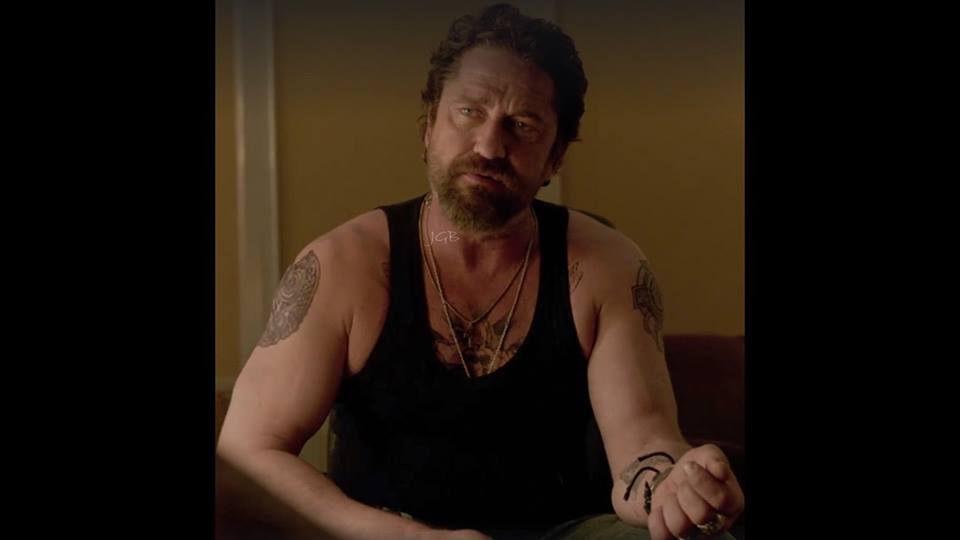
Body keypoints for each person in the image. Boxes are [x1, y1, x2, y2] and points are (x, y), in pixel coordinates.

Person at [217, 4, 744, 539]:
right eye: (469, 112)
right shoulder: (343, 265)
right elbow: (248, 452)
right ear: (429, 127)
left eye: (522, 125)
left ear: (555, 156)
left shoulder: (607, 265)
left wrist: (672, 486)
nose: (490, 146)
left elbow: (642, 443)